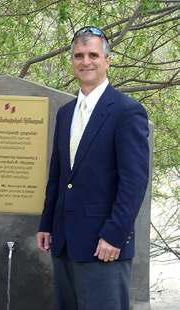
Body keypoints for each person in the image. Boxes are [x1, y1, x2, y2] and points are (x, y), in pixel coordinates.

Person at [37, 26, 149, 310]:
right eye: (78, 55)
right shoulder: (65, 113)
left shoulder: (127, 111)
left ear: (107, 60)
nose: (85, 61)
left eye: (93, 55)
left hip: (105, 244)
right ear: (72, 61)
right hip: (63, 242)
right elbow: (58, 176)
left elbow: (134, 183)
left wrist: (114, 235)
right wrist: (48, 223)